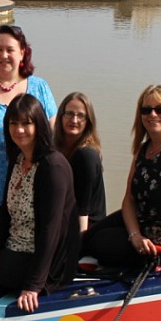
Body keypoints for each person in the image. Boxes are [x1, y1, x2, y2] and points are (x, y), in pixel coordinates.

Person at [0, 94, 80, 313]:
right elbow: (5, 214)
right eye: (13, 123)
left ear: (39, 124)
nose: (19, 130)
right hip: (14, 246)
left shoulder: (52, 166)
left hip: (41, 260)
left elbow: (51, 231)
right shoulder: (19, 159)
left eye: (26, 123)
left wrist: (33, 286)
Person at [82, 85, 161, 277]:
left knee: (100, 244)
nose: (153, 114)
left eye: (160, 109)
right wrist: (134, 236)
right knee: (85, 238)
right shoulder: (144, 148)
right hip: (144, 225)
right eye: (146, 110)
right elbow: (129, 200)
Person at [0, 25, 57, 246]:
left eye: (10, 50)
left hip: (30, 191)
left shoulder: (39, 88)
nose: (4, 55)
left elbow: (53, 137)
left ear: (22, 53)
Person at [53, 92, 106, 232]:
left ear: (88, 121)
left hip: (86, 229)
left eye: (81, 115)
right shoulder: (56, 149)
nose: (74, 120)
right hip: (64, 222)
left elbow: (83, 211)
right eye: (69, 113)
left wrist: (77, 248)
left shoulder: (86, 156)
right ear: (61, 116)